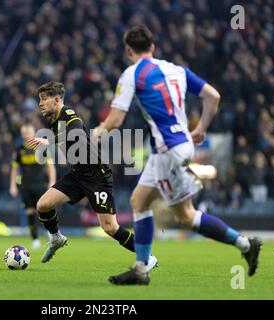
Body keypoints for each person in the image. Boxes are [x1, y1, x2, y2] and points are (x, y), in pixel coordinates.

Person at [93, 25, 262, 285]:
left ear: (128, 50)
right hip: (177, 144)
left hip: (167, 150)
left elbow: (115, 119)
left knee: (185, 216)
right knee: (139, 201)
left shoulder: (132, 74)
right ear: (153, 47)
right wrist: (201, 128)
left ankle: (245, 244)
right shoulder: (176, 70)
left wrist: (99, 131)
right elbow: (213, 97)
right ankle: (141, 267)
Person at [25, 81, 158, 269]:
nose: (40, 104)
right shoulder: (53, 119)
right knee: (43, 205)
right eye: (40, 100)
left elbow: (76, 134)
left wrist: (49, 140)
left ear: (56, 100)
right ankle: (56, 239)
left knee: (110, 227)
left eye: (44, 100)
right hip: (79, 174)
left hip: (97, 175)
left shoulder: (70, 116)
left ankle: (147, 257)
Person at [10, 124, 56, 249]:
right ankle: (35, 239)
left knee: (44, 210)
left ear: (34, 133)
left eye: (28, 132)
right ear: (21, 134)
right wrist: (12, 185)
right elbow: (15, 168)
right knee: (30, 212)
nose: (26, 134)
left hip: (41, 184)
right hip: (26, 185)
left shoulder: (41, 148)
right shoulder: (19, 149)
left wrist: (52, 181)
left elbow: (50, 166)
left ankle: (50, 233)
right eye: (24, 132)